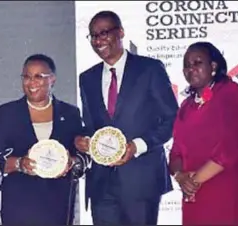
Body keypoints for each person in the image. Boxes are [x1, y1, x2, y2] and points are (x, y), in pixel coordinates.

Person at [74, 11, 179, 225]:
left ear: (121, 32)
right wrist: (81, 140)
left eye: (104, 32)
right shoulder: (87, 78)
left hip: (141, 181)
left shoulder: (149, 69)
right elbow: (92, 126)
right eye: (93, 35)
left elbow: (171, 119)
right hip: (102, 184)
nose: (98, 40)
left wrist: (136, 146)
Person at [0, 54, 90, 225]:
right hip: (19, 207)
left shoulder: (70, 113)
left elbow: (83, 158)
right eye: (26, 76)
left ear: (52, 79)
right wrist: (20, 164)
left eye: (38, 76)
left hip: (58, 206)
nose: (31, 82)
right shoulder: (7, 113)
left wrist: (71, 162)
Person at [168, 41, 238, 225]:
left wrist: (193, 182)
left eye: (197, 63)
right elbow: (175, 152)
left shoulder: (229, 92)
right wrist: (180, 176)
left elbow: (229, 147)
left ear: (213, 66)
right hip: (194, 192)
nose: (190, 69)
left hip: (227, 185)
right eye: (186, 65)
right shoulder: (186, 105)